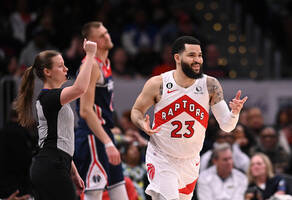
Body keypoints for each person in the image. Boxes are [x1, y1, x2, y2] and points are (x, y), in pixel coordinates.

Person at [130, 36, 248, 200]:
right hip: (162, 157)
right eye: (192, 55)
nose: (197, 60)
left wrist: (234, 113)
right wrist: (141, 123)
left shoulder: (210, 84)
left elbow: (227, 126)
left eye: (200, 55)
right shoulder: (158, 83)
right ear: (177, 58)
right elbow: (136, 111)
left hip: (190, 161)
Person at [14, 39, 97, 199]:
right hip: (51, 166)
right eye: (60, 66)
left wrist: (73, 171)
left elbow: (59, 137)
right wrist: (90, 54)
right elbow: (80, 88)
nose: (66, 69)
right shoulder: (48, 97)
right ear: (47, 72)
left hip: (55, 164)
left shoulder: (53, 99)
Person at [73, 21, 128, 200]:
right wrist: (108, 143)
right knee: (93, 193)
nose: (107, 36)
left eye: (106, 32)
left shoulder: (106, 62)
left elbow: (101, 108)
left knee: (120, 191)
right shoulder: (91, 66)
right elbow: (85, 111)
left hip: (104, 134)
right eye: (102, 35)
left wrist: (112, 132)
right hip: (92, 138)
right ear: (92, 42)